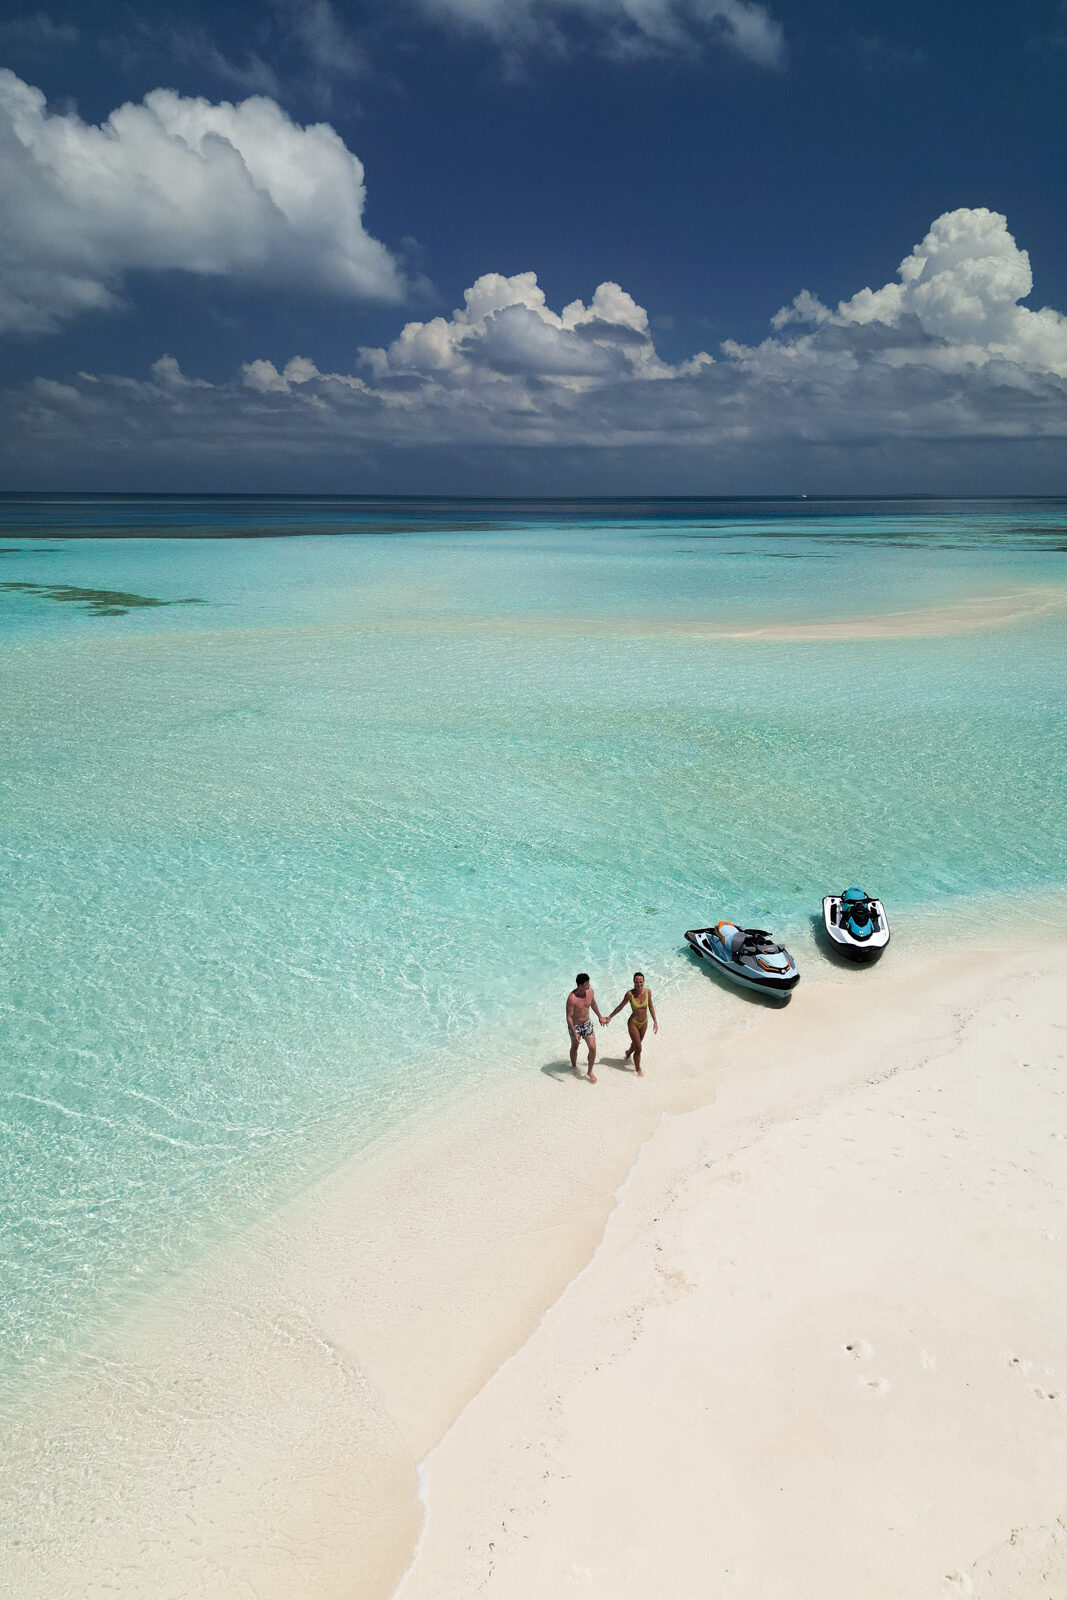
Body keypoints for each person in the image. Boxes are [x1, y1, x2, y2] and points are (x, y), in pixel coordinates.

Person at [605, 971, 658, 1076]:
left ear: (644, 981)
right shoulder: (630, 994)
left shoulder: (648, 992)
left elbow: (651, 1006)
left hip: (644, 1022)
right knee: (639, 1047)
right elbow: (621, 1006)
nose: (639, 984)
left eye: (641, 982)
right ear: (633, 982)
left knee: (636, 1044)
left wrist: (655, 1021)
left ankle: (628, 1052)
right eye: (637, 982)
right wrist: (610, 1017)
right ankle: (638, 1069)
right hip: (633, 1023)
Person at [566, 973, 607, 1083]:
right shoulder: (572, 998)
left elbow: (593, 1004)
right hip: (575, 1026)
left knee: (593, 1048)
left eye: (589, 983)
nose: (589, 985)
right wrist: (574, 1032)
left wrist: (600, 1016)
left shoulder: (590, 992)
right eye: (586, 984)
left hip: (587, 1024)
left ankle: (589, 1071)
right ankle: (574, 1066)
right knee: (575, 1047)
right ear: (580, 986)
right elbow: (569, 1017)